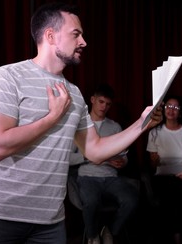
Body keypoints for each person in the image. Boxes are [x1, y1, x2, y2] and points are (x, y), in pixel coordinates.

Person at [0, 2, 162, 244]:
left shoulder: (75, 94)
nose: (84, 42)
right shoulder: (6, 77)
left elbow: (95, 151)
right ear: (50, 35)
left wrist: (142, 123)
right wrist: (52, 118)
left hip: (50, 225)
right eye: (76, 34)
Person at [70, 83, 139, 244]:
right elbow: (67, 159)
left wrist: (123, 162)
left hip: (111, 177)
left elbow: (124, 156)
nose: (104, 107)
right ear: (92, 100)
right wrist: (91, 157)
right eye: (101, 102)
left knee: (132, 200)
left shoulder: (115, 127)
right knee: (91, 202)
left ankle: (109, 230)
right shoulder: (79, 126)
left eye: (108, 104)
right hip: (87, 176)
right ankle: (93, 236)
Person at [146, 95, 182, 244]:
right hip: (163, 179)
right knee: (172, 192)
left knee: (174, 192)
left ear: (180, 113)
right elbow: (153, 165)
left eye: (175, 107)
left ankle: (164, 237)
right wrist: (155, 161)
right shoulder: (154, 132)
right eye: (168, 106)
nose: (171, 110)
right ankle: (178, 237)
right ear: (163, 109)